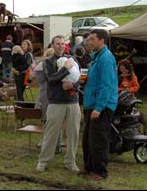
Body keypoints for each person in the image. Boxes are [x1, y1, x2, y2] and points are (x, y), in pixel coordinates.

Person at [36, 35, 81, 173]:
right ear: (52, 45)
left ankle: (70, 161)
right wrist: (65, 69)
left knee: (73, 133)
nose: (61, 46)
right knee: (51, 132)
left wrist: (72, 86)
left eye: (63, 43)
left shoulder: (72, 59)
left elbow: (79, 78)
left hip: (73, 101)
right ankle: (43, 161)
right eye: (58, 44)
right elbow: (51, 79)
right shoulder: (48, 61)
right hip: (56, 102)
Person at [82, 29, 118, 180]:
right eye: (89, 39)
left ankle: (100, 171)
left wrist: (99, 107)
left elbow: (107, 85)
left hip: (101, 106)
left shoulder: (106, 58)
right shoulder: (96, 57)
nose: (90, 42)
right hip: (91, 103)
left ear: (102, 40)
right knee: (88, 139)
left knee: (98, 140)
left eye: (92, 39)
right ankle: (89, 167)